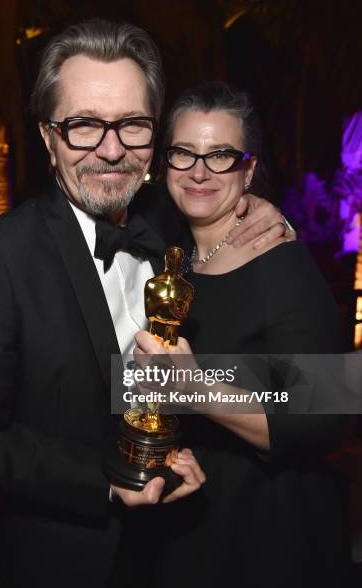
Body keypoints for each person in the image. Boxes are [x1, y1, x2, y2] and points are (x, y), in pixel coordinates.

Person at [0, 21, 290, 588]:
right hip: (61, 562)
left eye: (132, 124)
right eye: (82, 125)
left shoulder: (169, 228)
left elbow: (318, 396)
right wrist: (107, 480)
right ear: (49, 138)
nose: (111, 149)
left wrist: (253, 202)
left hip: (181, 553)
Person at [130, 81, 351, 588]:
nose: (199, 171)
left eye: (221, 156)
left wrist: (196, 390)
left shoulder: (283, 265)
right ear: (166, 163)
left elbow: (328, 416)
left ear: (248, 169)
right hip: (184, 524)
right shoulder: (171, 256)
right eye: (184, 153)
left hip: (266, 533)